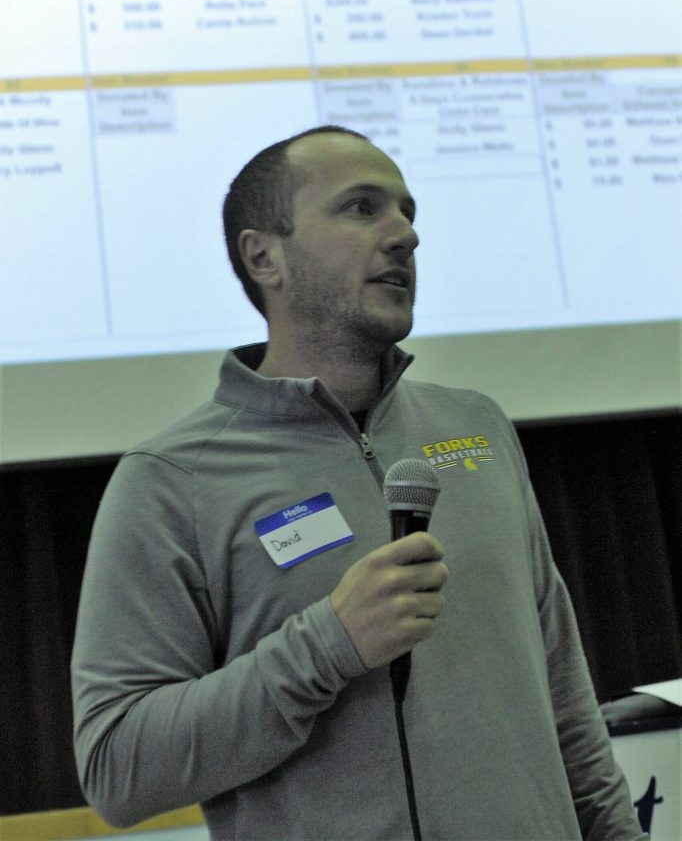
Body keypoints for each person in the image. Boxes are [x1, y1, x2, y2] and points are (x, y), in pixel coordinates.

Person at [71, 125, 647, 841]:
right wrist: (330, 643)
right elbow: (117, 770)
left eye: (408, 212)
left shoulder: (477, 428)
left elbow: (564, 695)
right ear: (264, 256)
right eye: (361, 207)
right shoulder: (171, 482)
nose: (404, 234)